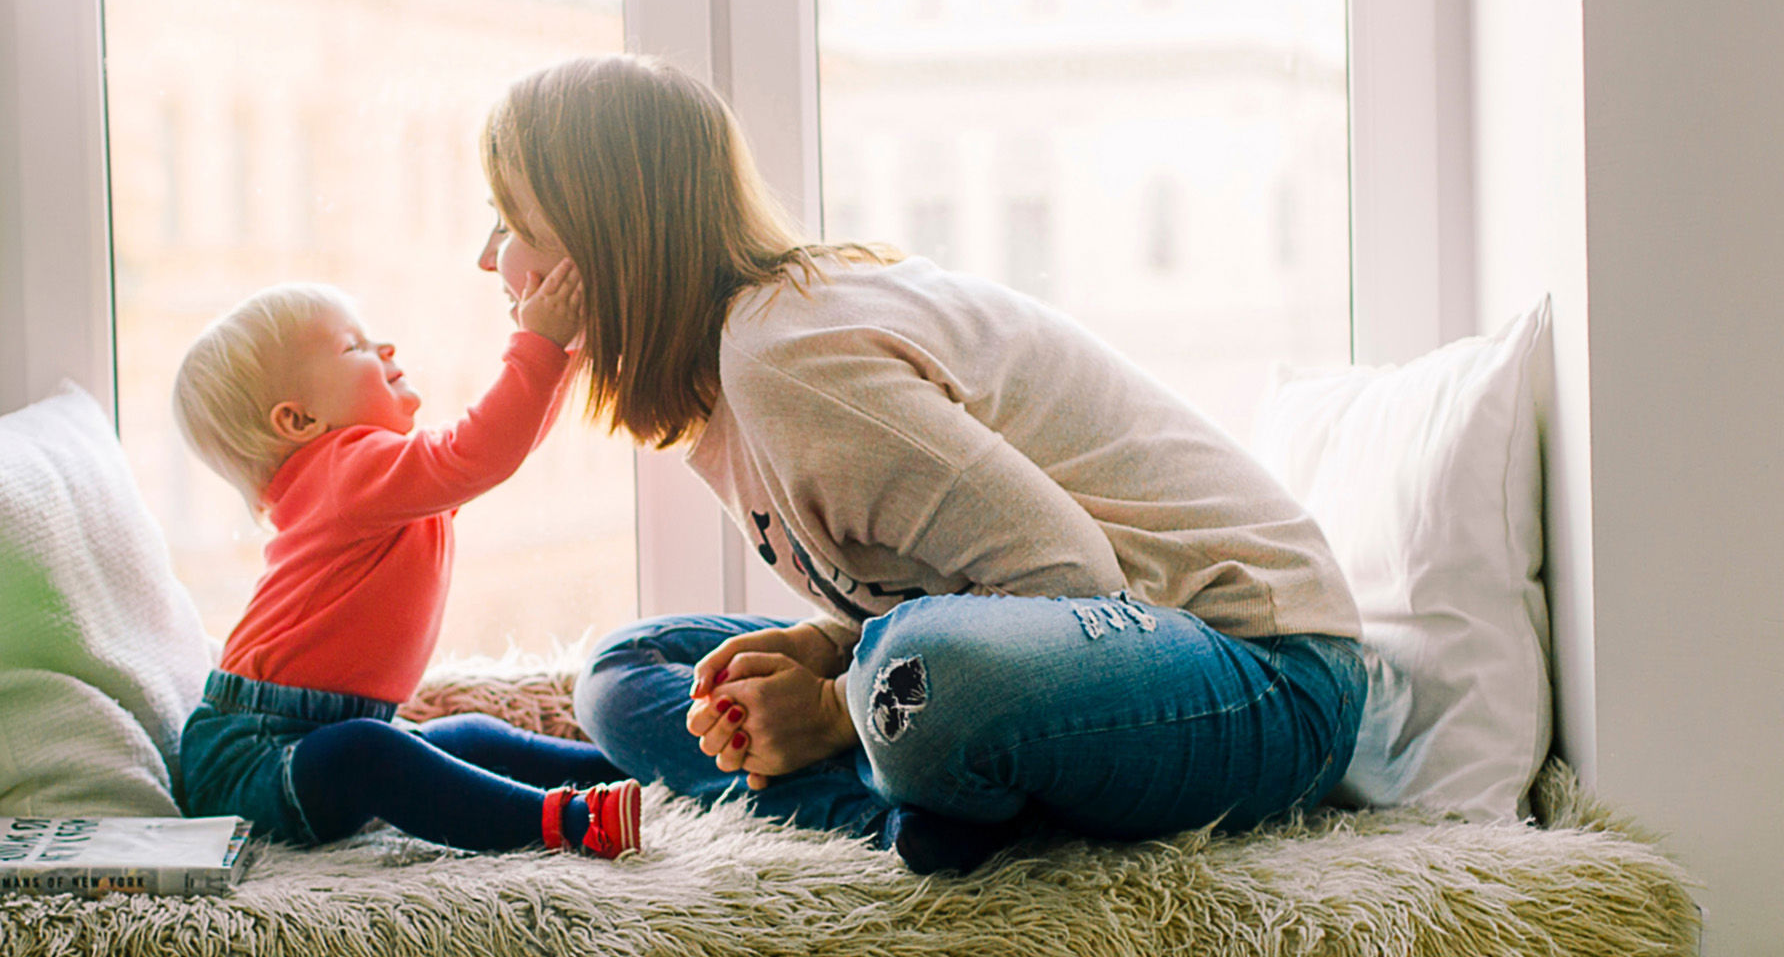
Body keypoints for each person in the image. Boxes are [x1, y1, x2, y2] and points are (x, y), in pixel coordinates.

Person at [478, 54, 1373, 874]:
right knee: (626, 671)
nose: (490, 258)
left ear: (608, 239)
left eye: (513, 222)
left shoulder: (787, 361)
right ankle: (917, 809)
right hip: (1090, 652)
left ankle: (909, 783)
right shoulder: (730, 375)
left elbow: (1073, 579)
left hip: (1265, 675)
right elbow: (961, 586)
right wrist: (831, 647)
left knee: (917, 678)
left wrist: (831, 707)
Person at [167, 274, 642, 858]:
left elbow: (499, 449)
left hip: (318, 735)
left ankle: (631, 770)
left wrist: (561, 354)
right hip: (252, 759)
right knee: (369, 753)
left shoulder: (375, 481)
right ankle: (567, 822)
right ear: (298, 421)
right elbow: (482, 450)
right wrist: (540, 345)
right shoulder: (346, 473)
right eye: (353, 347)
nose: (385, 346)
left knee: (468, 736)